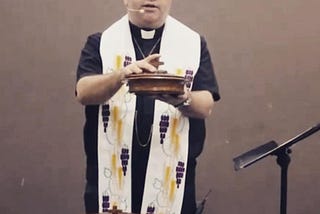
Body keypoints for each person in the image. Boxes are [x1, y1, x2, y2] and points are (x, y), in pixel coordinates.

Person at [76, 0, 220, 213]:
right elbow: (84, 92)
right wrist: (121, 75)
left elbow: (206, 105)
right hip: (108, 174)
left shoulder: (193, 44)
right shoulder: (101, 42)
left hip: (174, 180)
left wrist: (181, 98)